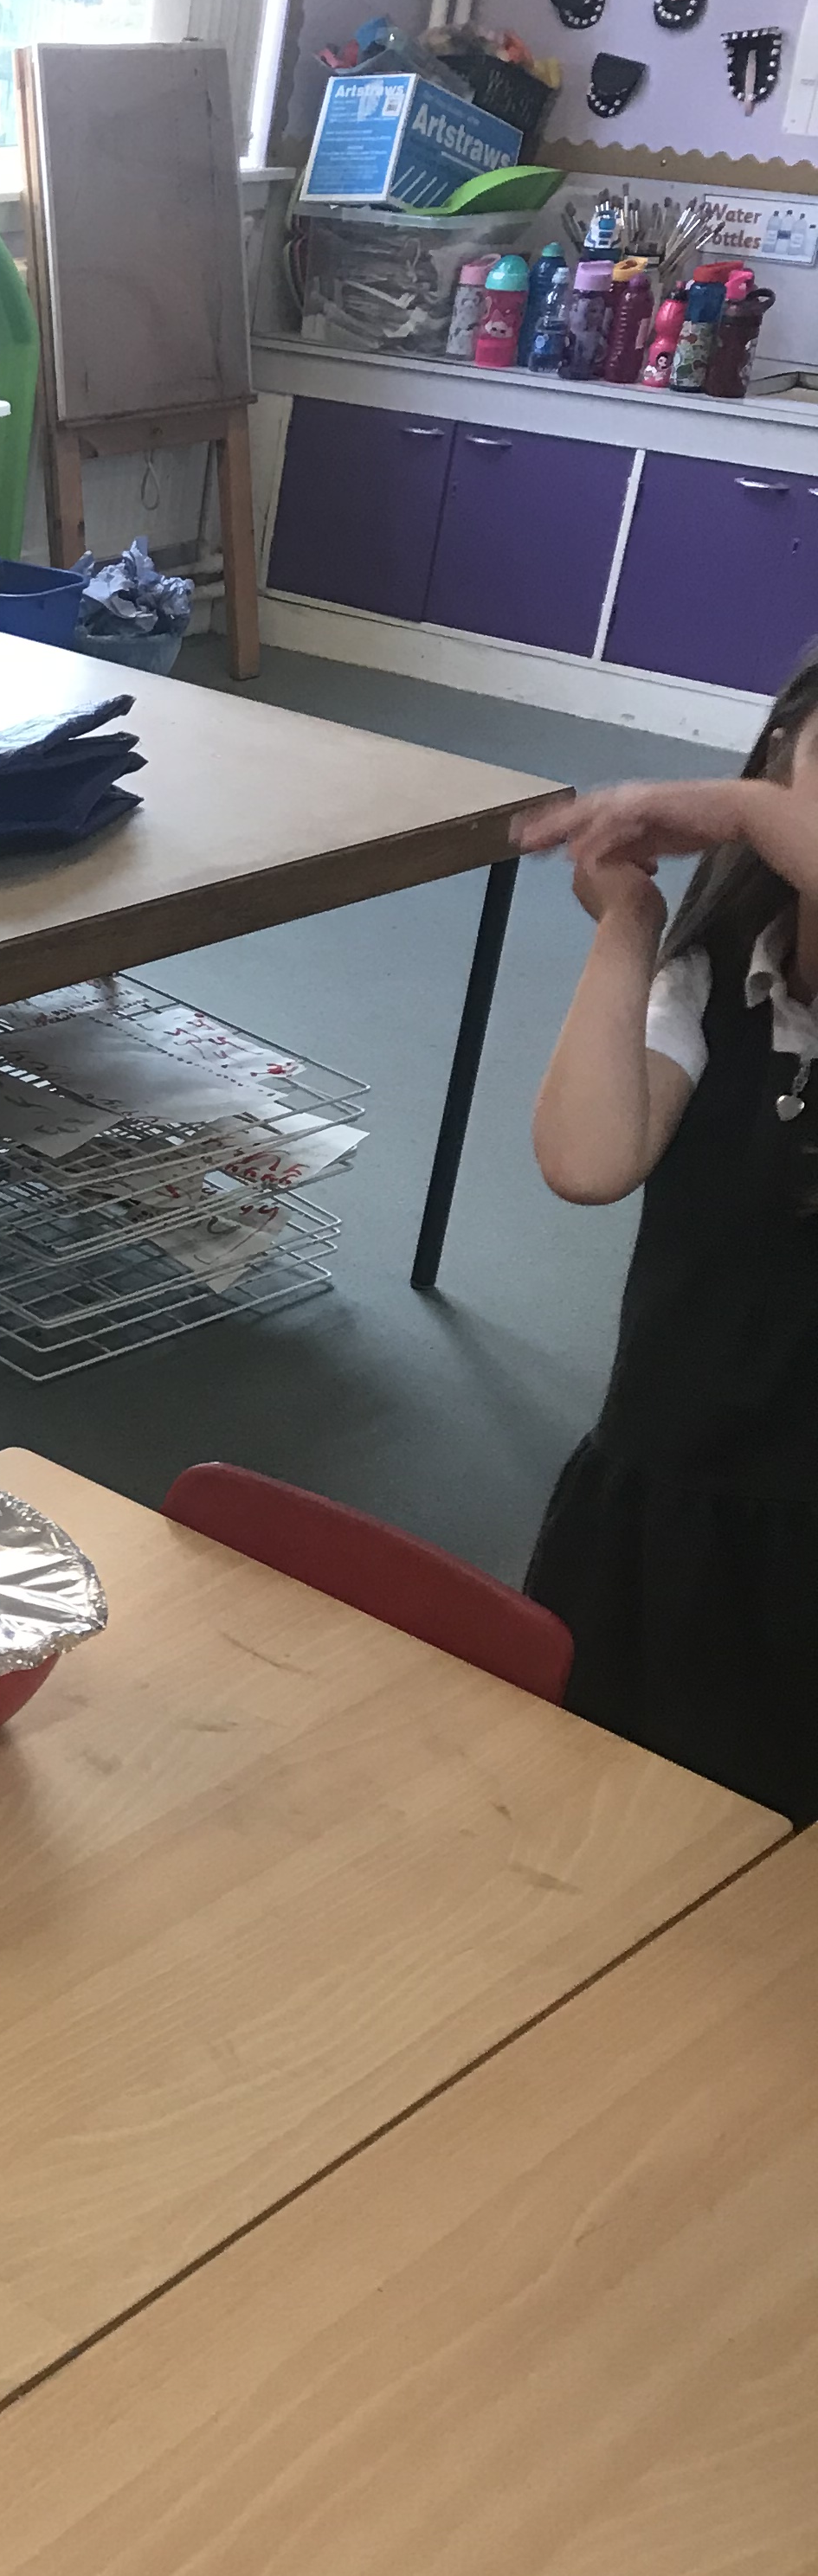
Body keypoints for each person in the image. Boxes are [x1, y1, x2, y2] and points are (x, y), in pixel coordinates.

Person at [512, 646, 818, 1822]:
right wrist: (629, 924)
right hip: (668, 1497)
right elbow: (588, 1158)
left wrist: (743, 808)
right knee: (601, 1804)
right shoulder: (721, 979)